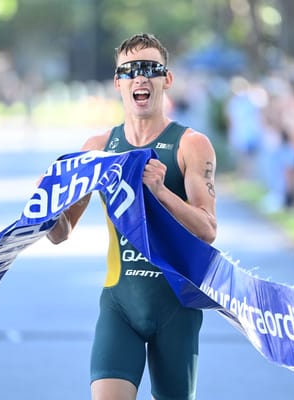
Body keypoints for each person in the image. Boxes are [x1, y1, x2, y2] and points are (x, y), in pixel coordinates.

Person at [46, 33, 217, 400]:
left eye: (150, 69)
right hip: (121, 303)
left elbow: (207, 229)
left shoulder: (191, 144)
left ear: (166, 79)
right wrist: (46, 209)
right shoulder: (98, 149)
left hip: (176, 305)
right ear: (118, 82)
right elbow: (61, 233)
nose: (140, 77)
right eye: (130, 70)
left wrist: (161, 191)